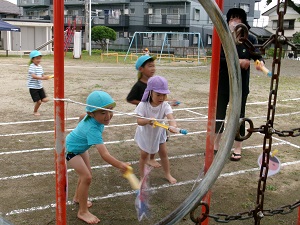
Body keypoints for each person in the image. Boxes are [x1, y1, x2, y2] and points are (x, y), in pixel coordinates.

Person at [66, 90, 129, 224]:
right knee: (86, 177)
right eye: (102, 112)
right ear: (91, 114)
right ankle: (82, 212)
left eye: (110, 110)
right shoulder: (93, 130)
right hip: (71, 150)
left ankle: (78, 198)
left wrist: (80, 127)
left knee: (87, 174)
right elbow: (104, 154)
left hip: (81, 147)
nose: (108, 116)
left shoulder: (91, 117)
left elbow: (81, 116)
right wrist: (120, 165)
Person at [214, 8, 265, 161]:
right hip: (223, 82)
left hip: (241, 84)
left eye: (238, 18)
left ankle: (237, 148)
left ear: (243, 22)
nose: (235, 21)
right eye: (232, 18)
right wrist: (238, 62)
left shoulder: (250, 39)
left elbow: (257, 56)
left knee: (239, 115)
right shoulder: (222, 38)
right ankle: (216, 145)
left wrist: (259, 63)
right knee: (219, 114)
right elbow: (218, 60)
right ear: (227, 21)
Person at [134, 75, 178, 184]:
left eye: (164, 95)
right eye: (158, 94)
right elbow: (139, 121)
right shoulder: (143, 105)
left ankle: (167, 174)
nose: (161, 98)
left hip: (159, 133)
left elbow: (171, 118)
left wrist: (173, 126)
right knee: (144, 156)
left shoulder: (165, 105)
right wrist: (147, 121)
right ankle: (142, 178)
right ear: (150, 92)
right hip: (146, 134)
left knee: (163, 153)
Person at [27, 50, 51, 116]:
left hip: (39, 86)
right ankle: (35, 111)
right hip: (33, 87)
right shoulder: (32, 66)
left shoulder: (40, 67)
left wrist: (48, 77)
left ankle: (39, 99)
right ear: (32, 59)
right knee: (39, 102)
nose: (39, 60)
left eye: (39, 58)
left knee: (45, 99)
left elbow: (42, 75)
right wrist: (43, 78)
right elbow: (33, 76)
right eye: (37, 58)